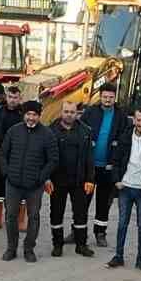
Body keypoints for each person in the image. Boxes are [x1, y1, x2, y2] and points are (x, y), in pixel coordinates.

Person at [0, 100, 57, 262]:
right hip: (13, 183)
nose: (31, 118)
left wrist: (41, 177)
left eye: (35, 115)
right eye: (28, 114)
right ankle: (11, 248)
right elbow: (3, 153)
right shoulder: (13, 131)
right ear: (24, 115)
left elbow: (53, 160)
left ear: (39, 116)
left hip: (35, 186)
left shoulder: (47, 134)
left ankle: (29, 249)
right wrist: (7, 173)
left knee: (34, 217)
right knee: (10, 216)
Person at [107, 107, 141, 272]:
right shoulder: (124, 137)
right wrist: (117, 180)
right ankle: (118, 256)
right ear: (134, 120)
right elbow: (115, 160)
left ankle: (140, 260)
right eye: (138, 120)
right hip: (125, 187)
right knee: (122, 223)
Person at [81, 83, 128, 248]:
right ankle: (77, 231)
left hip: (108, 168)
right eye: (105, 97)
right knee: (82, 201)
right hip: (90, 167)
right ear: (100, 96)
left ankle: (100, 233)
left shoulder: (121, 116)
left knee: (103, 202)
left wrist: (115, 163)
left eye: (111, 97)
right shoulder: (90, 112)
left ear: (115, 98)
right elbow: (81, 134)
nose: (108, 100)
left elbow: (123, 141)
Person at [48, 101, 96, 257]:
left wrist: (90, 179)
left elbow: (89, 157)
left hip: (79, 181)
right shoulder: (50, 131)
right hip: (57, 181)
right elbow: (45, 157)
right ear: (61, 112)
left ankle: (81, 245)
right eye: (66, 111)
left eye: (72, 112)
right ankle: (57, 245)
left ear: (77, 113)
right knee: (56, 213)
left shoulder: (85, 131)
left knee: (81, 214)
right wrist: (46, 179)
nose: (69, 114)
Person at [0, 83, 25, 227]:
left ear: (20, 98)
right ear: (6, 97)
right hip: (1, 158)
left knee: (21, 190)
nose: (12, 100)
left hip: (20, 158)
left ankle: (20, 221)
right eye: (10, 97)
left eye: (15, 97)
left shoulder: (25, 115)